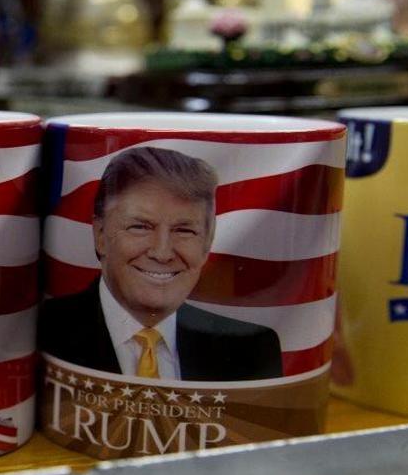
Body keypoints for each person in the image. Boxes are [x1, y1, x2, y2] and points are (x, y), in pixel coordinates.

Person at [40, 146, 283, 382]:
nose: (162, 253)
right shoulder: (43, 329)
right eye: (140, 227)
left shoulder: (250, 349)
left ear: (207, 243)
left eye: (184, 230)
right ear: (101, 235)